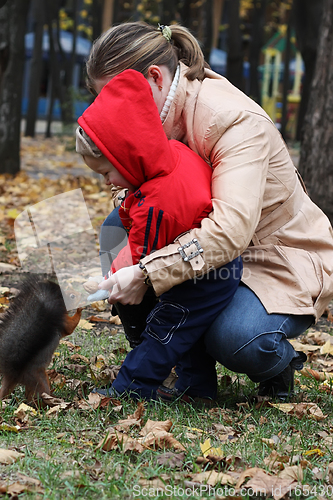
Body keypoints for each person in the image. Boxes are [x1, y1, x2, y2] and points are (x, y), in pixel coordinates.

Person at [85, 22, 333, 401]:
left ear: (155, 78)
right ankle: (160, 356)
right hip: (209, 250)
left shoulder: (232, 121)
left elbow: (229, 232)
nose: (107, 112)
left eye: (113, 97)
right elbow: (137, 198)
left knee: (235, 338)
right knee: (114, 230)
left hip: (273, 255)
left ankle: (278, 363)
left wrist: (145, 273)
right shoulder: (152, 119)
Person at [76, 69, 242, 401]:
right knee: (185, 330)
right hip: (199, 262)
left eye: (107, 171)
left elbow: (140, 258)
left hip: (205, 274)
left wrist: (108, 281)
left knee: (165, 329)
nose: (107, 181)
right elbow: (138, 241)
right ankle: (197, 389)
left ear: (129, 155)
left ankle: (131, 388)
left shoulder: (157, 202)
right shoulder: (167, 157)